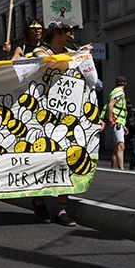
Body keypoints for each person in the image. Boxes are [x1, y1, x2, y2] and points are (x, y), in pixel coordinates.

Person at [29, 20, 91, 227]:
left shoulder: (72, 51)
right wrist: (77, 55)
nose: (71, 36)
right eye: (67, 31)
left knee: (69, 158)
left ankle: (61, 208)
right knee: (45, 158)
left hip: (70, 113)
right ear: (56, 33)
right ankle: (38, 198)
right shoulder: (40, 51)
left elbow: (85, 82)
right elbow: (50, 63)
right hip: (44, 114)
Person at [100, 76, 129, 171]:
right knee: (121, 146)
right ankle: (122, 169)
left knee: (116, 147)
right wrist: (111, 119)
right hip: (117, 122)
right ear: (125, 84)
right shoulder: (120, 93)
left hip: (118, 122)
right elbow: (111, 104)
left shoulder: (114, 91)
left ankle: (114, 168)